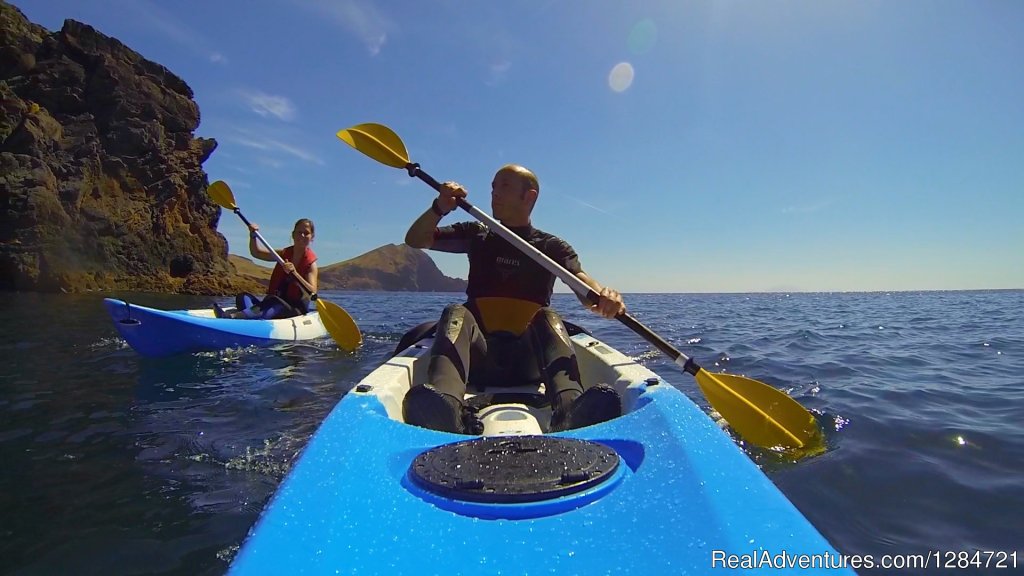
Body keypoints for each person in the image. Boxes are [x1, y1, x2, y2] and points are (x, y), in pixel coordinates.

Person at [403, 164, 626, 434]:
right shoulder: (477, 234)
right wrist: (439, 207)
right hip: (479, 359)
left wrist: (605, 296)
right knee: (456, 312)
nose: (495, 193)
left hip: (529, 363)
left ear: (529, 197)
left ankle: (569, 408)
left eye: (504, 186)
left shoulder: (550, 247)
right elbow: (415, 239)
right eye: (493, 187)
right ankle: (446, 408)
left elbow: (583, 285)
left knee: (549, 317)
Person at [215, 218, 318, 320]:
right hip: (272, 302)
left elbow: (313, 292)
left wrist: (295, 273)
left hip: (294, 310)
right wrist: (253, 236)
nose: (302, 235)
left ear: (312, 237)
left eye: (306, 233)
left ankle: (234, 317)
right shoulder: (282, 254)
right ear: (293, 234)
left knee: (274, 301)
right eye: (299, 232)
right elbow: (256, 253)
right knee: (242, 297)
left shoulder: (310, 264)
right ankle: (252, 314)